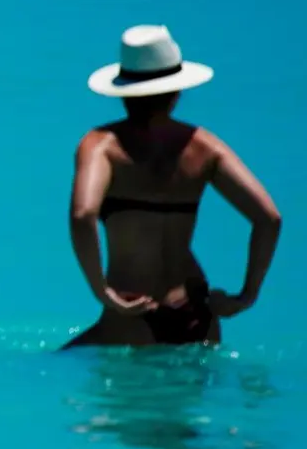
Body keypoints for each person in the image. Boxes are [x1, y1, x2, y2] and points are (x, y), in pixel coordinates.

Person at [63, 24, 282, 348]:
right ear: (177, 92)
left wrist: (103, 293)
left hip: (133, 309)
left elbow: (83, 215)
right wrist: (246, 295)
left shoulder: (102, 146)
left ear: (122, 90)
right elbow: (269, 218)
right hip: (197, 309)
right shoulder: (205, 146)